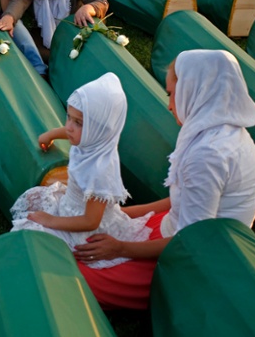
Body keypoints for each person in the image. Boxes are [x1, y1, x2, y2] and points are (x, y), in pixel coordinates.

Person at [73, 49, 255, 309]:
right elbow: (181, 202)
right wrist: (120, 215)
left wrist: (120, 249)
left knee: (77, 274)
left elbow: (190, 242)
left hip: (194, 258)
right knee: (95, 235)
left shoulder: (209, 154)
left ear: (195, 91)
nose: (170, 104)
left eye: (171, 93)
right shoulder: (220, 132)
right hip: (184, 230)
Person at [10, 73, 154, 269]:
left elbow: (90, 221)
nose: (69, 126)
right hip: (70, 205)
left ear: (99, 129)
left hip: (84, 231)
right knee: (33, 198)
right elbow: (70, 132)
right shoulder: (90, 140)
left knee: (32, 233)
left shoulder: (100, 170)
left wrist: (52, 220)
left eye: (78, 122)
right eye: (69, 117)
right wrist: (50, 134)